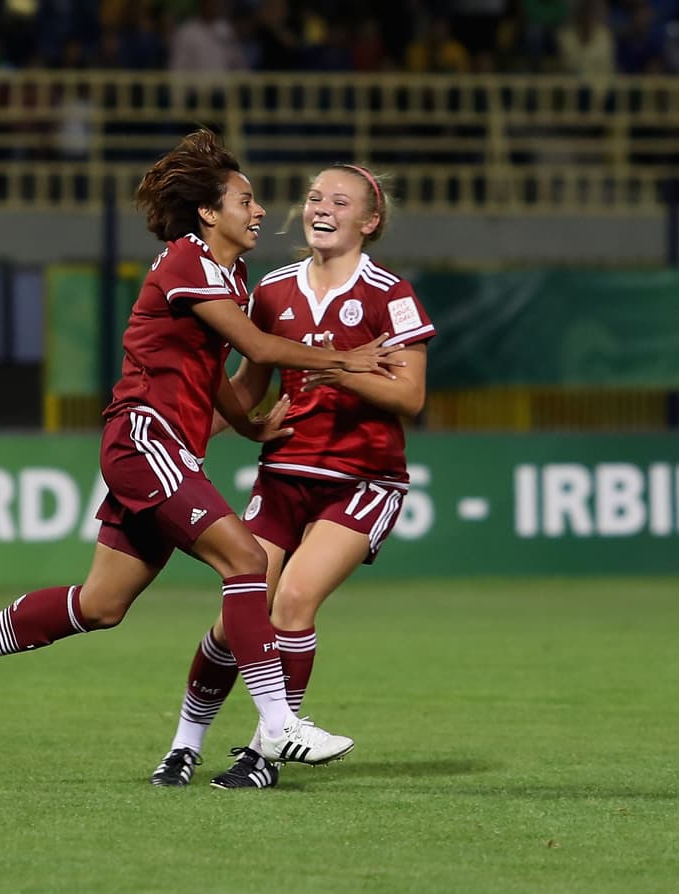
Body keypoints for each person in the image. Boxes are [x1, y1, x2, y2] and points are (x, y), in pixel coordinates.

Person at [0, 129, 405, 772]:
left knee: (101, 604)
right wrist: (346, 357)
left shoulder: (232, 271)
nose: (258, 212)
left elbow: (216, 370)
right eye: (244, 200)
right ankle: (278, 725)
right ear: (208, 211)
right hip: (145, 437)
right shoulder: (185, 261)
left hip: (164, 449)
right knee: (248, 561)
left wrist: (248, 427)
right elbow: (258, 348)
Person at [149, 163, 435, 789]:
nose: (320, 208)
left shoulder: (391, 293)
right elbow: (249, 388)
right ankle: (183, 747)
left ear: (370, 220)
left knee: (295, 600)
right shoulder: (272, 290)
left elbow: (410, 396)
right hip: (283, 474)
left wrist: (340, 372)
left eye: (339, 200)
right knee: (235, 620)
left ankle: (264, 754)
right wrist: (185, 432)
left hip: (364, 480)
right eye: (312, 197)